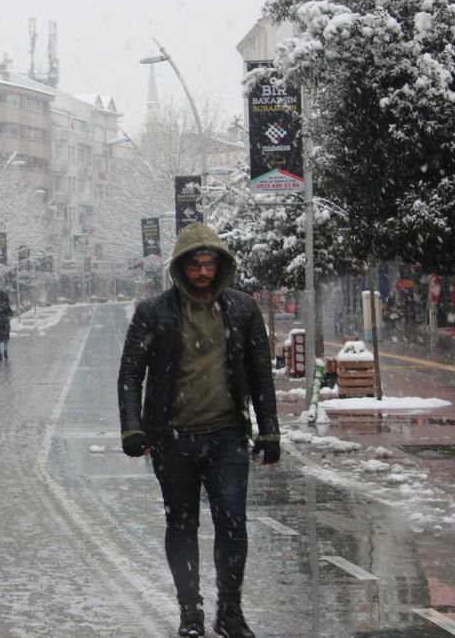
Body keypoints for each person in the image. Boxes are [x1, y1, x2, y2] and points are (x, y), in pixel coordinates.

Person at [117, 222, 280, 638]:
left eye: (210, 264)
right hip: (172, 439)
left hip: (227, 435)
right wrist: (133, 429)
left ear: (221, 266)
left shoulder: (242, 309)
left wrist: (269, 431)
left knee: (233, 524)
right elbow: (130, 375)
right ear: (180, 267)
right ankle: (190, 611)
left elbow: (261, 374)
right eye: (195, 265)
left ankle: (230, 612)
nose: (203, 273)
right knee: (182, 524)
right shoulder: (154, 313)